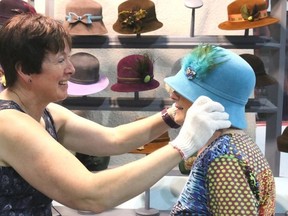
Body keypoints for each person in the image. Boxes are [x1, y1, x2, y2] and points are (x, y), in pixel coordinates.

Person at [0, 13, 231, 215]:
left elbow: (113, 139)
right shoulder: (8, 123)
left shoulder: (47, 113)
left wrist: (172, 116)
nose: (71, 69)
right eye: (61, 60)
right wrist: (184, 144)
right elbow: (91, 195)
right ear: (24, 70)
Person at [164, 44, 275, 215]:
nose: (173, 95)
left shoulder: (225, 160)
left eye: (186, 90)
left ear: (211, 101)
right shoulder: (229, 145)